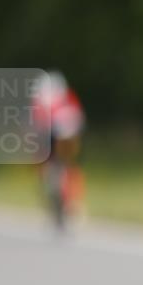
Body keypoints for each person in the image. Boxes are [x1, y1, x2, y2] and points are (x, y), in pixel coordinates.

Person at [31, 70, 86, 226]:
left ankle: (70, 204)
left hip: (61, 137)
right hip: (58, 137)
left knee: (63, 169)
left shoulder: (60, 101)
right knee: (61, 169)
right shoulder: (67, 98)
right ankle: (67, 205)